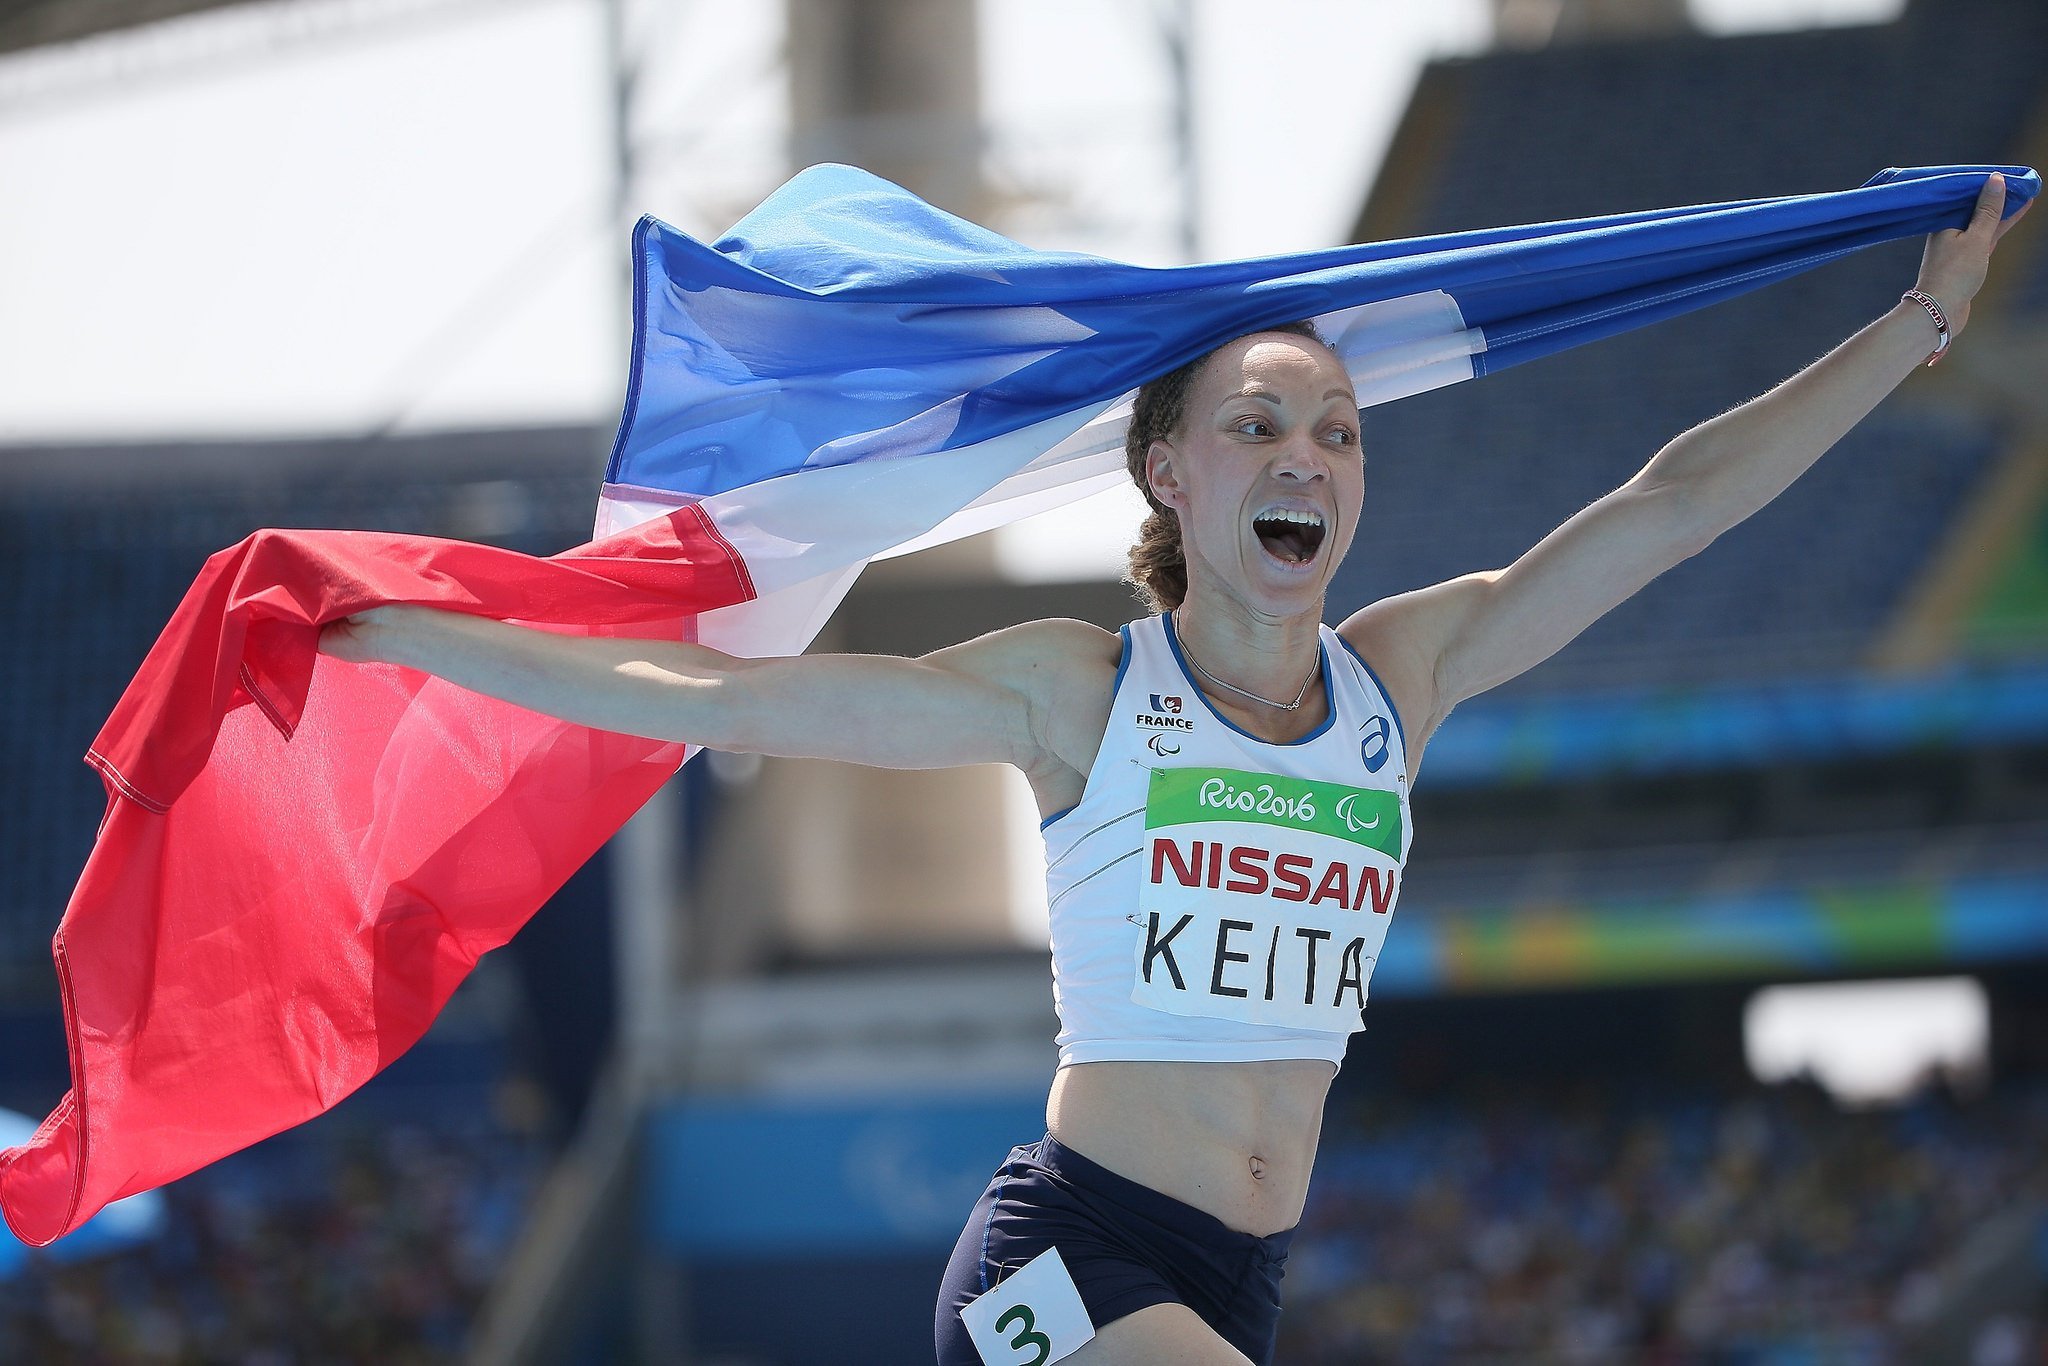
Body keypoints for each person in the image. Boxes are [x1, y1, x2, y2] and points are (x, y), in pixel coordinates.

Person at [319, 174, 2025, 1364]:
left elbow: (1669, 506)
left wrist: (1911, 327)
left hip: (1239, 1282)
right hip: (1060, 1263)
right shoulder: (1081, 695)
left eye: (1341, 432)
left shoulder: (1399, 683)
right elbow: (715, 699)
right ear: (1169, 478)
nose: (1311, 456)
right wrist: (411, 636)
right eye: (1261, 425)